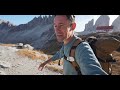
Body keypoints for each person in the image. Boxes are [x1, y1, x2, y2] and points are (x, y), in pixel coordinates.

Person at [38, 15, 108, 75]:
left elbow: (94, 71)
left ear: (73, 26)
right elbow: (59, 54)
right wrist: (45, 63)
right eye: (55, 26)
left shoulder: (82, 48)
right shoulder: (66, 44)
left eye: (61, 25)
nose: (57, 30)